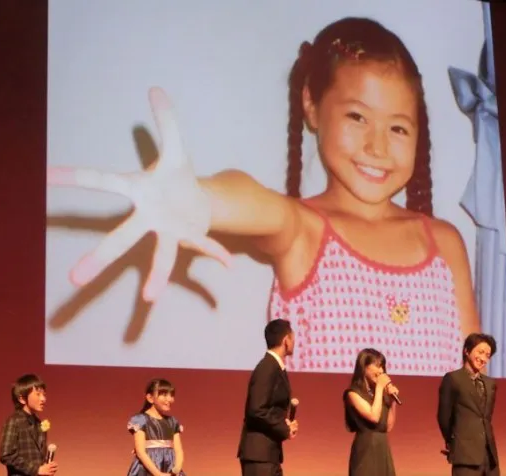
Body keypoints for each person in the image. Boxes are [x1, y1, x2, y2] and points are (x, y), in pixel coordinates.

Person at [47, 17, 480, 376]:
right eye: (357, 116)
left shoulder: (445, 243)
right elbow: (258, 203)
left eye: (398, 127)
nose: (378, 147)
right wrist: (201, 199)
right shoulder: (304, 229)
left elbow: (477, 376)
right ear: (311, 105)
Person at [238, 319, 298, 476]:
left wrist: (284, 425)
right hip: (259, 456)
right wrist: (283, 427)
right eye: (293, 338)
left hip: (268, 454)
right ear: (286, 340)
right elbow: (256, 409)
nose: (294, 342)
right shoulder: (267, 367)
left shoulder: (274, 366)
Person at [437, 333, 499, 476]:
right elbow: (443, 417)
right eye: (480, 352)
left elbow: (486, 418)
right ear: (466, 351)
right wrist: (454, 441)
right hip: (464, 455)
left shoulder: (490, 384)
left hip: (489, 456)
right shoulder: (453, 379)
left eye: (488, 355)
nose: (483, 358)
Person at [344, 348, 400, 476]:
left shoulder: (379, 395)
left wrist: (392, 402)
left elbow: (388, 426)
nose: (381, 371)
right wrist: (380, 387)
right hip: (366, 449)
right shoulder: (353, 393)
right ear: (364, 367)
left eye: (383, 367)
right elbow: (373, 417)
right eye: (377, 366)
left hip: (382, 448)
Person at [0, 374, 58, 476]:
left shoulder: (39, 423)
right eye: (38, 394)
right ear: (22, 399)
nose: (43, 399)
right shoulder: (14, 421)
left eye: (44, 394)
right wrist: (36, 470)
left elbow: (37, 457)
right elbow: (6, 455)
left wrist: (46, 468)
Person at [126, 379, 185, 476]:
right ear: (150, 398)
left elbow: (178, 450)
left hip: (170, 468)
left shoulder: (173, 422)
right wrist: (157, 474)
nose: (170, 399)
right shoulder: (141, 420)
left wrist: (176, 469)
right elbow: (140, 451)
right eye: (164, 395)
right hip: (147, 469)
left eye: (171, 395)